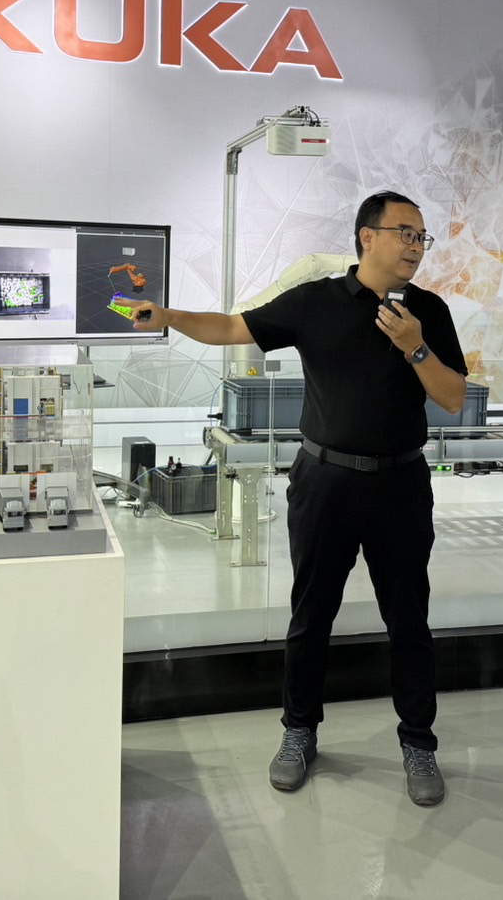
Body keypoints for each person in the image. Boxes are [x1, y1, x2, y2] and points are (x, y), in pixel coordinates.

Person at [127, 191, 467, 807]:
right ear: (367, 236)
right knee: (311, 615)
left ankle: (419, 742)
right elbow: (234, 328)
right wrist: (170, 316)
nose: (416, 246)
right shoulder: (316, 302)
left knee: (408, 620)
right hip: (324, 480)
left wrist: (415, 345)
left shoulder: (429, 312)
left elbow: (451, 397)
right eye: (405, 233)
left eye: (422, 237)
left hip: (400, 483)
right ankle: (299, 732)